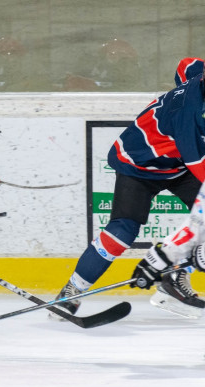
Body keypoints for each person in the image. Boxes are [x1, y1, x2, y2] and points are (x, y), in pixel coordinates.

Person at [51, 57, 205, 320]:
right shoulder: (189, 112)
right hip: (140, 164)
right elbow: (197, 162)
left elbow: (185, 65)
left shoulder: (198, 74)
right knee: (122, 230)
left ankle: (172, 280)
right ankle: (70, 293)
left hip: (178, 165)